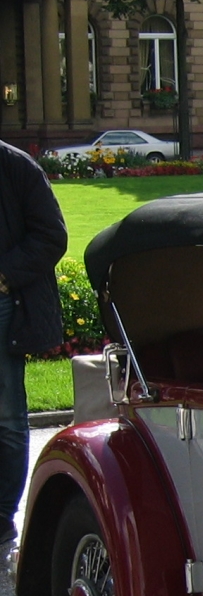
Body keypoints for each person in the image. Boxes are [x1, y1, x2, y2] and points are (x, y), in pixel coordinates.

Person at [0, 138, 66, 552]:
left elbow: (51, 235)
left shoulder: (16, 167)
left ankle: (2, 517)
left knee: (6, 414)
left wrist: (4, 275)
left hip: (4, 304)